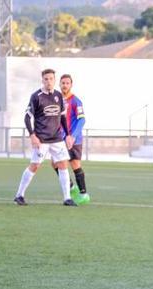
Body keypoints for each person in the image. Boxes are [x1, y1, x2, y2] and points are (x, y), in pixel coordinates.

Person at [14, 68, 75, 207]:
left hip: (57, 139)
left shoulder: (59, 96)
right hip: (42, 139)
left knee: (63, 165)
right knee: (34, 166)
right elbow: (27, 118)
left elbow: (63, 117)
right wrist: (32, 135)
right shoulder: (36, 96)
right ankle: (19, 195)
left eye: (51, 79)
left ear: (55, 80)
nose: (49, 81)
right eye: (46, 79)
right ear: (42, 80)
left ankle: (67, 198)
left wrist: (68, 135)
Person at [59, 74, 90, 204]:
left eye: (67, 83)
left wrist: (72, 136)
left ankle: (83, 194)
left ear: (71, 85)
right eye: (63, 83)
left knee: (75, 164)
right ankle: (71, 187)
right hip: (59, 139)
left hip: (73, 139)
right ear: (59, 84)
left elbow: (82, 119)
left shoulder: (76, 101)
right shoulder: (57, 99)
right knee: (56, 163)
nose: (65, 85)